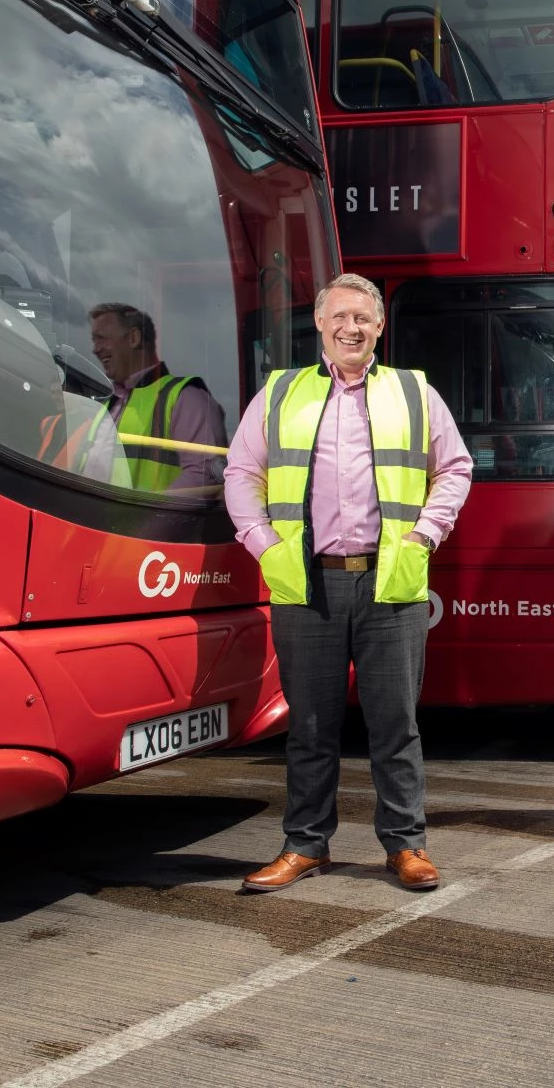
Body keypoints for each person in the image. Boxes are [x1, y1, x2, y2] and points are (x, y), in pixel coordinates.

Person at [224, 273, 473, 893]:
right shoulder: (280, 393)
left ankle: (406, 845)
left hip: (391, 581)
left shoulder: (416, 394)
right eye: (340, 317)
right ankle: (306, 845)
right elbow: (240, 473)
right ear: (320, 324)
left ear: (380, 328)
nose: (350, 328)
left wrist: (424, 536)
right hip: (307, 583)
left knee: (396, 725)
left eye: (362, 318)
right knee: (309, 726)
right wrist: (264, 545)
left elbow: (456, 468)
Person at [79, 303, 228, 492]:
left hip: (143, 520)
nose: (95, 349)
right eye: (94, 340)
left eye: (101, 339)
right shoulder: (107, 406)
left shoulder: (186, 399)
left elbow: (204, 477)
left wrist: (142, 518)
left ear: (133, 338)